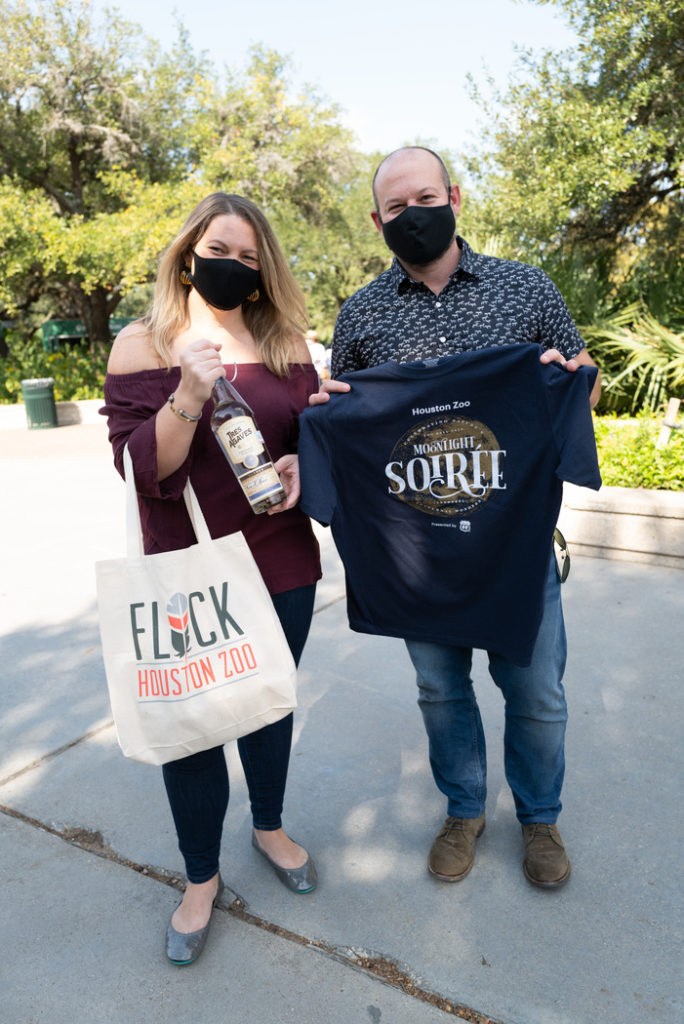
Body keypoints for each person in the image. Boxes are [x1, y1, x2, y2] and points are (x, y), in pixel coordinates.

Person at [309, 146, 602, 889]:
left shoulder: (525, 288)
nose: (414, 214)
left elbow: (580, 383)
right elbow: (352, 419)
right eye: (397, 207)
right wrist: (322, 422)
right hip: (418, 551)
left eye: (425, 196)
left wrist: (575, 385)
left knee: (537, 691)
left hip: (516, 542)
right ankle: (464, 808)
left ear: (456, 197)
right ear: (377, 222)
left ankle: (539, 819)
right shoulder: (362, 315)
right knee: (441, 688)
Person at [101, 192, 321, 965]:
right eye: (221, 249)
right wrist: (190, 391)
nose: (234, 265)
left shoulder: (285, 341)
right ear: (189, 252)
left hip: (282, 560)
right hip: (184, 571)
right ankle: (200, 878)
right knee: (190, 730)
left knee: (267, 708)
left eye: (251, 259)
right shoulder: (142, 343)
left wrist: (303, 460)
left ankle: (269, 826)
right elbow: (140, 469)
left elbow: (309, 439)